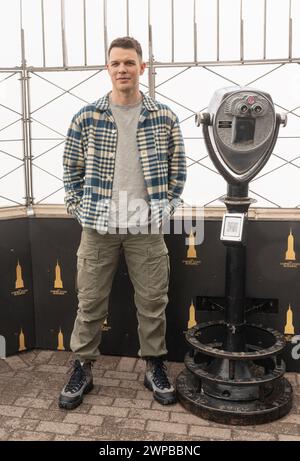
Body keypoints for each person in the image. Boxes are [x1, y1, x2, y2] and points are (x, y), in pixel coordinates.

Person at [59, 36, 186, 410]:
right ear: (108, 68)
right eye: (116, 63)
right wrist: (79, 209)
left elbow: (178, 170)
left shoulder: (164, 117)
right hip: (97, 228)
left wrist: (166, 208)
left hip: (146, 228)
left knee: (152, 302)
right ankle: (82, 367)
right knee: (90, 302)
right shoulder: (86, 117)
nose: (122, 69)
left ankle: (154, 367)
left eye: (129, 63)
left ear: (142, 68)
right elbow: (71, 171)